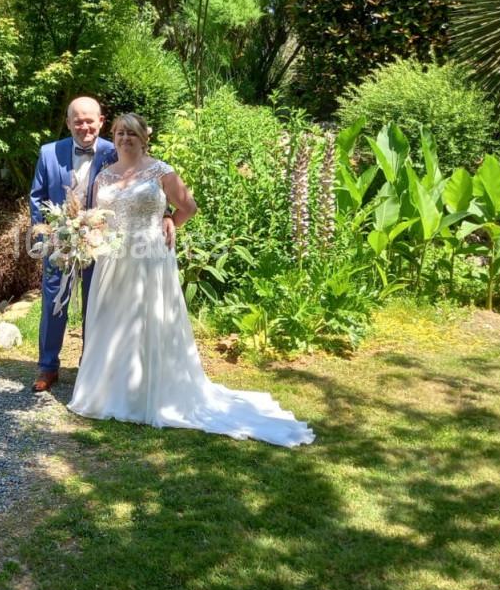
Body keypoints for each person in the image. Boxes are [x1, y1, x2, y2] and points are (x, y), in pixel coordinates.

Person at [67, 113, 315, 448]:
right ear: (114, 136)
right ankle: (113, 391)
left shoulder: (161, 170)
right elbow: (100, 218)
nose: (126, 138)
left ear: (144, 138)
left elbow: (189, 206)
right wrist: (83, 236)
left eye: (132, 133)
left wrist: (169, 219)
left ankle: (148, 394)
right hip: (113, 259)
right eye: (120, 133)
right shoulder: (105, 177)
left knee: (148, 321)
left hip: (150, 256)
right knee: (114, 321)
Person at [28, 96, 121, 392]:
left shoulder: (115, 151)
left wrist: (166, 214)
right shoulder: (48, 152)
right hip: (60, 243)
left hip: (99, 243)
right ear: (68, 123)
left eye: (89, 120)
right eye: (77, 121)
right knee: (54, 303)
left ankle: (90, 366)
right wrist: (49, 238)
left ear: (101, 121)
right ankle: (47, 367)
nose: (84, 127)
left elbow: (136, 185)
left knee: (95, 306)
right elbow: (37, 197)